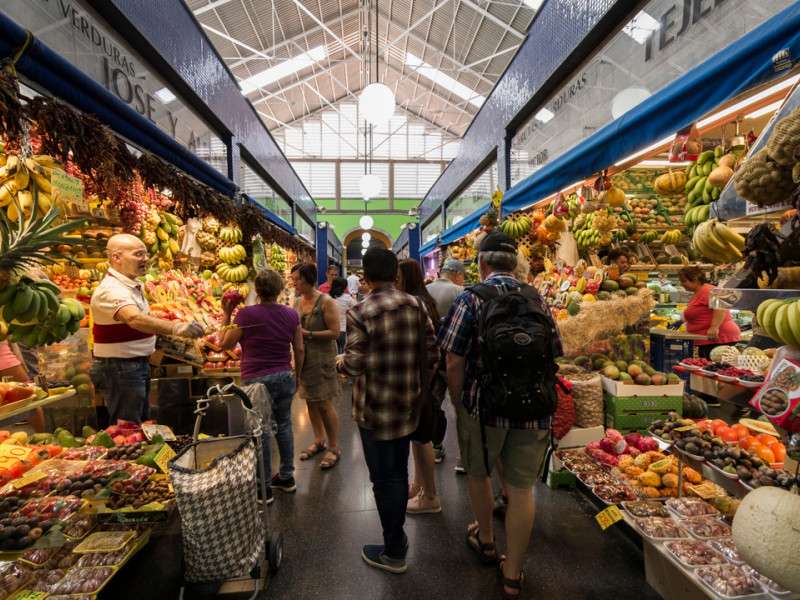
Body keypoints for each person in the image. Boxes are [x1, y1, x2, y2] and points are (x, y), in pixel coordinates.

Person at [437, 231, 562, 599]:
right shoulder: (537, 298)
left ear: (481, 263)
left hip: (484, 406)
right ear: (515, 264)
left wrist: (461, 402)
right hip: (533, 410)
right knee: (521, 491)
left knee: (478, 474)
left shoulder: (471, 299)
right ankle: (512, 574)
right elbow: (555, 351)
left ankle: (488, 542)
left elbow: (453, 358)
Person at [337, 248, 438, 574]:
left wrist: (338, 362)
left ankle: (394, 550)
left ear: (364, 276)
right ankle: (398, 538)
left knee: (385, 479)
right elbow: (432, 353)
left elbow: (352, 366)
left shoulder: (360, 311)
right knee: (399, 472)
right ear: (395, 274)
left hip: (374, 411)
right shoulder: (415, 304)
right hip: (408, 405)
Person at [89, 234, 204, 425]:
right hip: (120, 367)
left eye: (145, 254)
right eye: (138, 254)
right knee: (127, 429)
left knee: (138, 425)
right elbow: (133, 318)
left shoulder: (131, 285)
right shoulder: (112, 289)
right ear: (117, 258)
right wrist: (176, 327)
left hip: (131, 366)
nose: (145, 259)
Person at [218, 268, 304, 502]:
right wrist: (298, 376)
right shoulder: (291, 314)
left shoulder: (245, 315)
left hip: (256, 379)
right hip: (284, 375)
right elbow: (299, 349)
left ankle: (263, 486)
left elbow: (224, 344)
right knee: (284, 425)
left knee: (260, 430)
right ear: (279, 290)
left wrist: (226, 313)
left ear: (256, 289)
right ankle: (287, 477)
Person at [396, 259, 445, 515]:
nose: (396, 282)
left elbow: (427, 348)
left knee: (421, 436)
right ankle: (419, 485)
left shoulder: (417, 302)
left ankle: (430, 495)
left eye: (398, 277)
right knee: (418, 436)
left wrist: (423, 382)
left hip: (423, 381)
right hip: (426, 379)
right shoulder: (423, 299)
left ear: (409, 278)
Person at [290, 262, 342, 469]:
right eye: (293, 279)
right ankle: (319, 441)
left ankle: (334, 446)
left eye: (298, 279)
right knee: (310, 401)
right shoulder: (296, 302)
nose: (294, 283)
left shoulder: (326, 302)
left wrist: (307, 334)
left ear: (309, 280)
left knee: (323, 402)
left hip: (322, 359)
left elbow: (335, 333)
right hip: (303, 359)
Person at [425, 259, 466, 467]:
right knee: (459, 405)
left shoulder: (426, 290)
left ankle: (437, 447)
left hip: (432, 358)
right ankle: (461, 456)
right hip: (453, 357)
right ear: (458, 275)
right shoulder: (459, 292)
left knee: (434, 403)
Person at [671, 266, 741, 359]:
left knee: (714, 369)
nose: (681, 284)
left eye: (684, 281)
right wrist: (680, 321)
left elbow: (721, 306)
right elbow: (694, 312)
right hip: (707, 340)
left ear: (695, 279)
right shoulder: (696, 294)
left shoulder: (708, 289)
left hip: (718, 338)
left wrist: (714, 327)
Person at [329, 277, 355, 352]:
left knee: (333, 353)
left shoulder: (327, 297)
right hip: (344, 330)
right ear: (344, 287)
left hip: (330, 331)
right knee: (343, 354)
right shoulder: (348, 298)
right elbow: (357, 310)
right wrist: (355, 299)